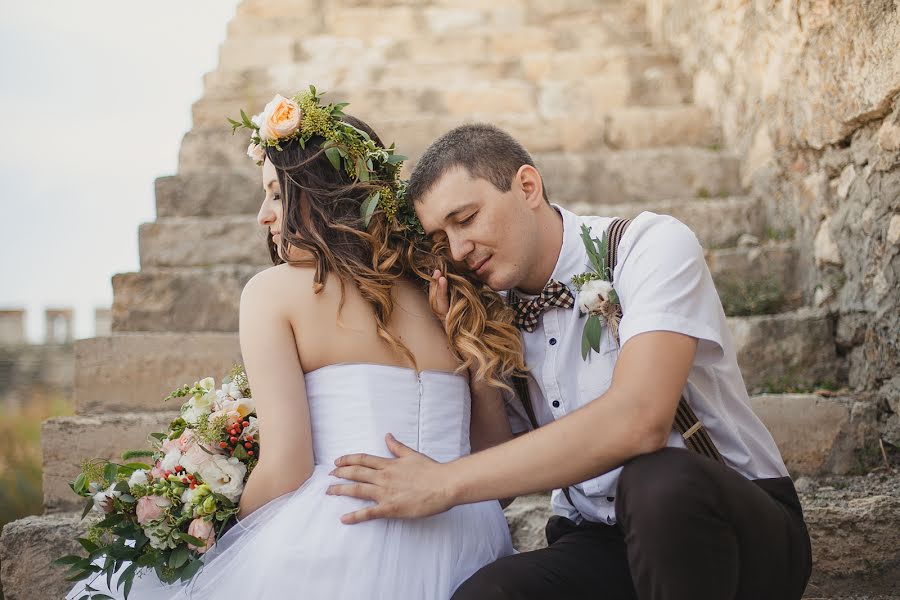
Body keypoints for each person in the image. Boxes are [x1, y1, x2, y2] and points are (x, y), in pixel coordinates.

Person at [328, 123, 813, 600]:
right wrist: (475, 363)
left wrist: (444, 483)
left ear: (527, 186)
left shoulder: (648, 247)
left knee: (657, 482)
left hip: (729, 530)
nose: (457, 250)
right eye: (442, 236)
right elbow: (498, 485)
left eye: (466, 218)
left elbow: (641, 420)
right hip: (600, 541)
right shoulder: (495, 311)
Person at [66, 93, 520, 599]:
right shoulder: (451, 290)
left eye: (277, 195)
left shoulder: (273, 292)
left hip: (343, 533)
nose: (263, 215)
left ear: (322, 196)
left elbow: (287, 467)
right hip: (468, 542)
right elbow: (495, 472)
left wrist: (219, 529)